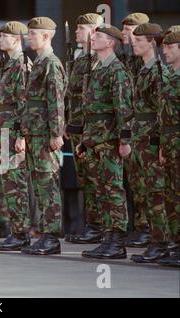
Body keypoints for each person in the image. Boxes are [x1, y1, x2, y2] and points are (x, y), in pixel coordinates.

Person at [77, 25, 133, 259]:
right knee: (101, 190)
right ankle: (107, 237)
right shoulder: (97, 68)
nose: (93, 38)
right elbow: (90, 108)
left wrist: (124, 139)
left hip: (109, 139)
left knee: (113, 189)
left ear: (110, 42)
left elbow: (123, 107)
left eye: (98, 36)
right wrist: (84, 139)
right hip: (95, 138)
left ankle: (117, 241)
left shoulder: (116, 70)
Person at [20, 17, 66, 256]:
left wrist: (56, 133)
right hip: (34, 133)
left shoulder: (51, 63)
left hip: (45, 134)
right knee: (39, 185)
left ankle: (52, 237)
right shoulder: (39, 62)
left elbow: (56, 101)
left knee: (48, 185)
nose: (29, 37)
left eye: (33, 34)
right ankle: (44, 232)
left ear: (46, 36)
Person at [126, 23, 170, 263]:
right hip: (141, 138)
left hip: (151, 139)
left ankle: (160, 241)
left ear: (152, 43)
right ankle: (157, 239)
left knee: (156, 193)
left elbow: (162, 110)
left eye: (140, 41)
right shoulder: (143, 69)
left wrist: (159, 140)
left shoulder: (158, 70)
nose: (135, 44)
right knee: (145, 192)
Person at [0, 21, 32, 251]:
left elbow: (23, 104)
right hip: (4, 132)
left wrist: (20, 135)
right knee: (10, 183)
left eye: (3, 36)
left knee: (16, 184)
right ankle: (16, 230)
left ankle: (21, 232)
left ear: (16, 39)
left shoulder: (21, 65)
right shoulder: (8, 64)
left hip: (13, 134)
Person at [66, 13, 103, 244]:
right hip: (78, 126)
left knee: (97, 178)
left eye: (81, 28)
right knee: (85, 179)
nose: (77, 32)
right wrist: (69, 122)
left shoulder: (99, 60)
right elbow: (72, 95)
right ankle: (91, 224)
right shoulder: (80, 60)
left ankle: (99, 226)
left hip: (93, 128)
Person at [121, 12, 152, 247]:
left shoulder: (151, 64)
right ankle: (139, 226)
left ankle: (148, 229)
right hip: (133, 129)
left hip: (147, 131)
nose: (127, 36)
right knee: (134, 182)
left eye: (130, 32)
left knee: (147, 183)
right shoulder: (130, 61)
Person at [157, 30, 180, 268]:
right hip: (171, 144)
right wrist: (164, 145)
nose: (165, 51)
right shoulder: (170, 77)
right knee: (172, 199)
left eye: (170, 47)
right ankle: (176, 245)